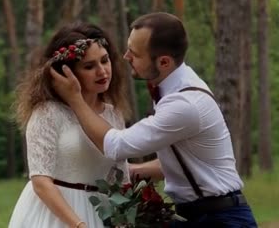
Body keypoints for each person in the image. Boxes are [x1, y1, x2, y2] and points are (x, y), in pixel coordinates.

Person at [50, 12, 257, 227]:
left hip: (220, 220)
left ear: (164, 62)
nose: (125, 56)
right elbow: (181, 161)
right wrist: (127, 173)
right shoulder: (174, 86)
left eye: (135, 53)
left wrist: (74, 98)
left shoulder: (184, 104)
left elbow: (116, 145)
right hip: (198, 214)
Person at [8, 22, 131, 228]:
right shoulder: (48, 113)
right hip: (56, 216)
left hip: (102, 214)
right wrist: (79, 225)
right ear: (67, 72)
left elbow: (120, 178)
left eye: (105, 60)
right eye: (89, 66)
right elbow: (40, 182)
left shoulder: (114, 114)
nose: (102, 71)